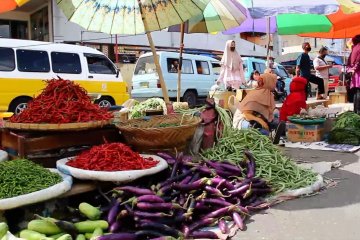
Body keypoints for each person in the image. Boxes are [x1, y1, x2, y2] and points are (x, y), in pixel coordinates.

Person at [347, 34, 360, 113]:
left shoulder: (354, 48)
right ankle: (358, 112)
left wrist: (351, 70)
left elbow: (349, 61)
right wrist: (354, 69)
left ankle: (356, 111)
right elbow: (358, 61)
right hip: (358, 73)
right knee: (358, 92)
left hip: (355, 74)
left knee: (356, 92)